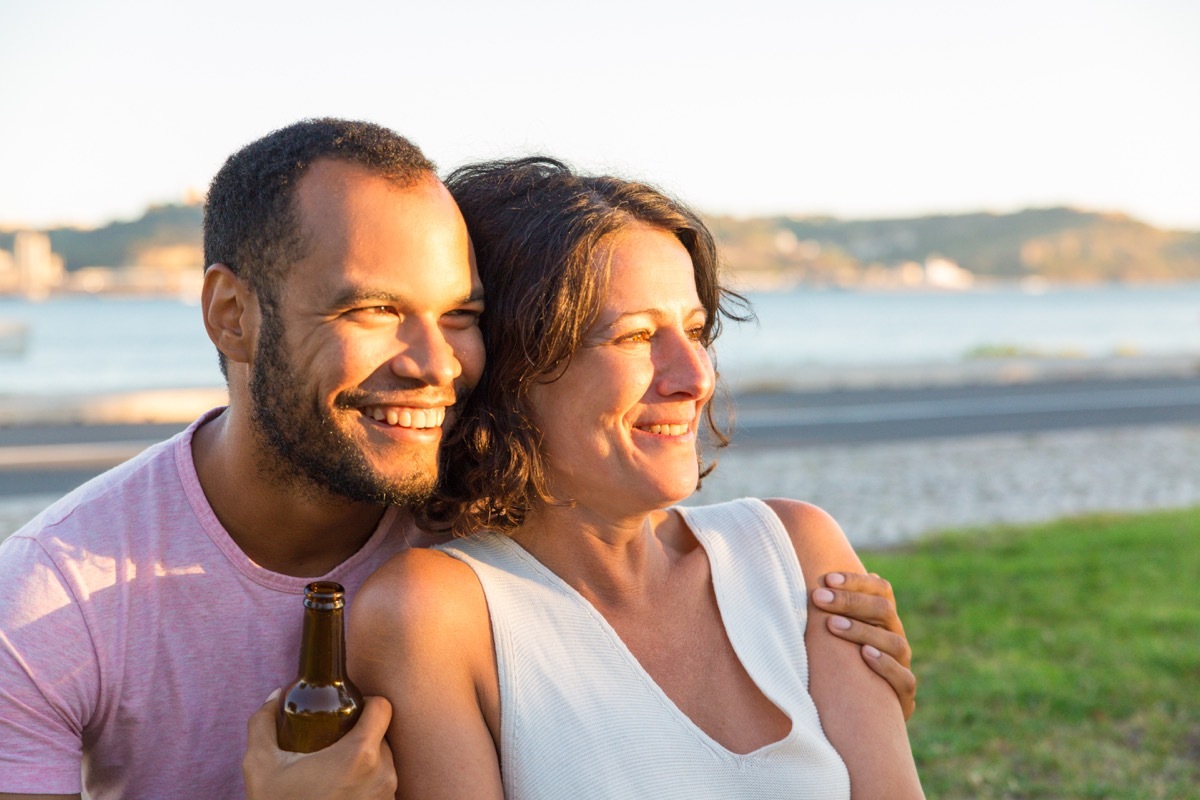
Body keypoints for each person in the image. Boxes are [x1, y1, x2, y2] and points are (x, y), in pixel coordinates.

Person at [0, 121, 913, 800]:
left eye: (461, 316)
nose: (436, 365)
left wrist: (814, 658)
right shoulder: (53, 603)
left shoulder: (487, 508)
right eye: (371, 311)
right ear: (231, 316)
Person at [350, 157, 925, 798]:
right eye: (635, 336)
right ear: (511, 368)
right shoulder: (436, 615)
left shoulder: (794, 552)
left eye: (696, 331)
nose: (696, 377)